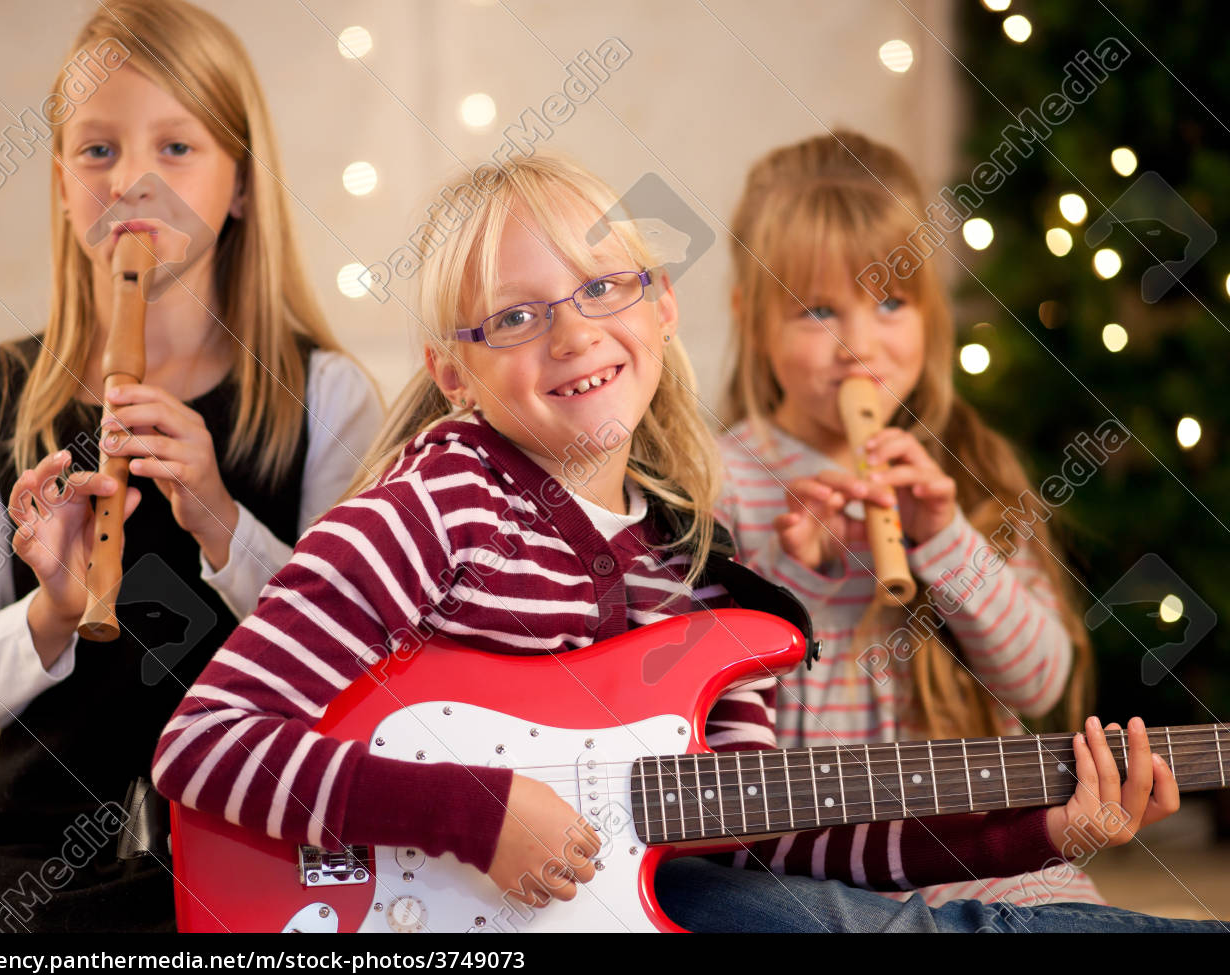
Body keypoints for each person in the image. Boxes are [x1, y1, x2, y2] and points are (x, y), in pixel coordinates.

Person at [150, 153, 1212, 932]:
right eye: (513, 318)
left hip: (638, 905)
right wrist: (473, 811)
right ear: (451, 371)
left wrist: (1035, 831)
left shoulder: (697, 573)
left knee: (867, 918)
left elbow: (772, 837)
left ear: (658, 306)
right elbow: (198, 745)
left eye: (602, 287)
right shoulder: (430, 508)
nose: (572, 333)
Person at [0, 0, 381, 932]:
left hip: (252, 834)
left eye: (176, 148)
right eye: (97, 150)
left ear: (240, 184)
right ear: (61, 182)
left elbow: (360, 667)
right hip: (32, 847)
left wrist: (223, 523)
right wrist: (50, 611)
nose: (132, 182)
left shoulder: (327, 398)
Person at [714, 129, 1106, 909]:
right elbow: (743, 779)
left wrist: (944, 537)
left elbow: (1040, 682)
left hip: (979, 846)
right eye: (818, 310)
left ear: (929, 312)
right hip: (818, 871)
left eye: (890, 302)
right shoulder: (721, 483)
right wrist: (800, 579)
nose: (858, 346)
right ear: (751, 318)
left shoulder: (968, 464)